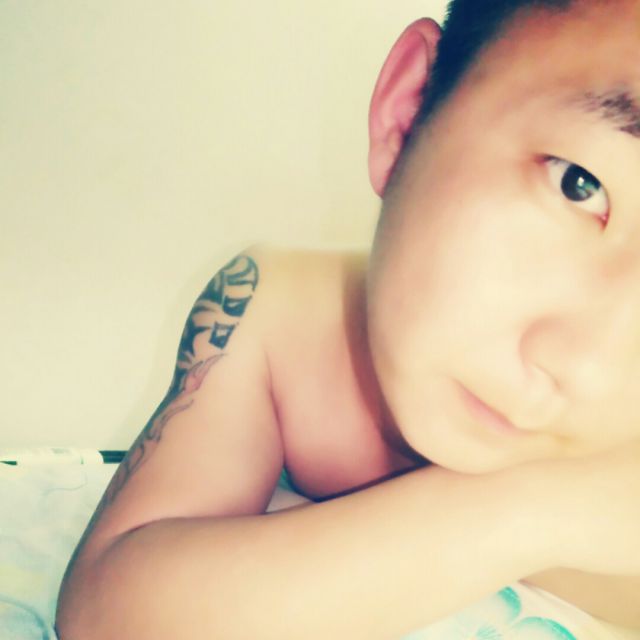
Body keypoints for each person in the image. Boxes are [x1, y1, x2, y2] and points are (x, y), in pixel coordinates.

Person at [56, 0, 640, 637]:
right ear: (407, 110)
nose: (587, 364)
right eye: (579, 184)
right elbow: (112, 615)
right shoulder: (279, 313)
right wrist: (537, 508)